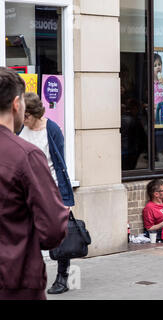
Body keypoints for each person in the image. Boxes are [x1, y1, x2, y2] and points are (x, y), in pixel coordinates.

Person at [0, 67, 68, 300]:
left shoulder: (46, 133)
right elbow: (52, 230)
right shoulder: (24, 155)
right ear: (16, 104)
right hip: (14, 278)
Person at [18, 92, 75, 295]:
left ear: (34, 113)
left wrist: (65, 198)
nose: (23, 120)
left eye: (26, 116)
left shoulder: (51, 129)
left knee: (59, 234)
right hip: (25, 191)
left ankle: (62, 277)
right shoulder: (19, 129)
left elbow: (60, 164)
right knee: (26, 233)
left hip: (51, 190)